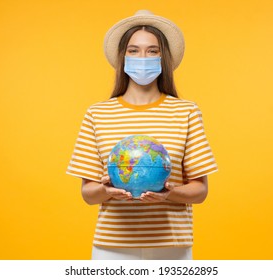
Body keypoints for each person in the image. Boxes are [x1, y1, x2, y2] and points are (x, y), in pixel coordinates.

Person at [66, 10, 218, 260]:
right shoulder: (98, 113)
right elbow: (88, 194)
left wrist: (168, 194)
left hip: (172, 248)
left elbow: (200, 191)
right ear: (123, 57)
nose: (142, 57)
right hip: (111, 248)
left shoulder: (186, 111)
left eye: (152, 51)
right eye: (134, 50)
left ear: (163, 58)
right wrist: (106, 190)